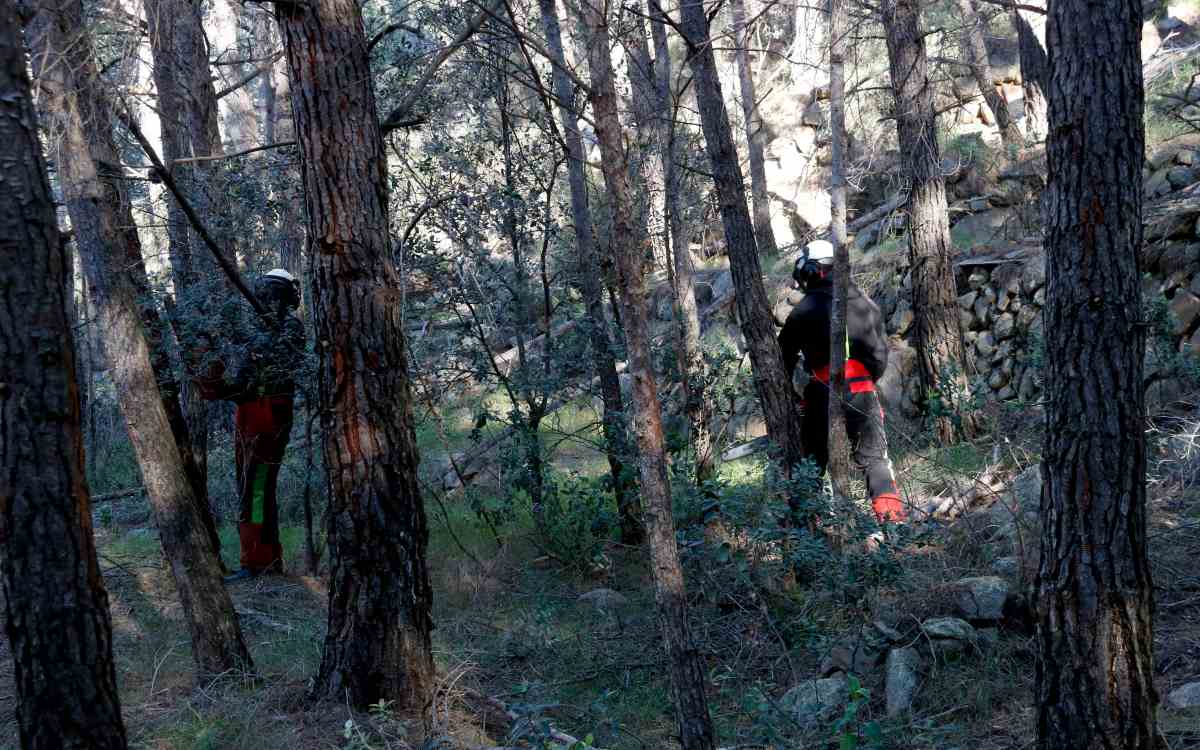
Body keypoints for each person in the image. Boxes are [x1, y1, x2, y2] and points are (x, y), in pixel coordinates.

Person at [190, 268, 305, 581]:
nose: (267, 298)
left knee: (255, 488)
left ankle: (258, 562)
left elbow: (281, 363)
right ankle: (262, 558)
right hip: (250, 413)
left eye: (272, 292)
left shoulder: (289, 328)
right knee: (252, 487)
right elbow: (241, 381)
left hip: (269, 415)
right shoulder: (254, 329)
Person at [777, 240, 904, 523]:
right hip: (863, 391)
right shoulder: (865, 304)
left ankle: (803, 535)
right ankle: (895, 528)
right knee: (875, 461)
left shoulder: (803, 311)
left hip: (821, 395)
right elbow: (879, 357)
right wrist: (864, 383)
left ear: (811, 271)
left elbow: (780, 358)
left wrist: (792, 397)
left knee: (810, 466)